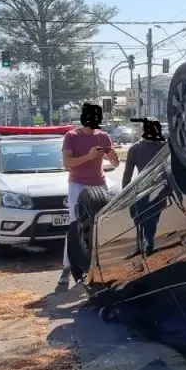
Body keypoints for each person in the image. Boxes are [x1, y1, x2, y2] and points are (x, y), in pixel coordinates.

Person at [61, 102, 119, 287]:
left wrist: (113, 157)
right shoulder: (71, 136)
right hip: (78, 184)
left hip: (99, 183)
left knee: (100, 226)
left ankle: (97, 267)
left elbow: (116, 164)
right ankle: (69, 268)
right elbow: (67, 163)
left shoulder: (103, 136)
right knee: (75, 224)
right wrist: (89, 156)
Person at [123, 117, 167, 255]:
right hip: (141, 190)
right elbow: (127, 174)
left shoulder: (163, 147)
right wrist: (126, 195)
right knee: (141, 218)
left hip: (159, 188)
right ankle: (145, 242)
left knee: (152, 218)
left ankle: (148, 241)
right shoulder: (135, 149)